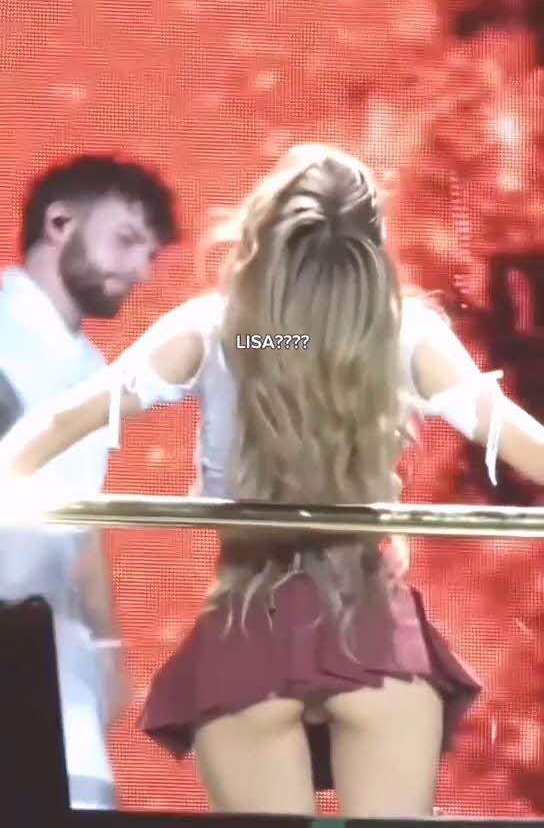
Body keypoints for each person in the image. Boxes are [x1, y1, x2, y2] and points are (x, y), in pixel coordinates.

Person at [1, 144, 544, 818]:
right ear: (368, 247)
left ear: (265, 232)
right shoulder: (402, 334)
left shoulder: (222, 331)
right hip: (375, 642)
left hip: (248, 640)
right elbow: (522, 441)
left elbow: (60, 421)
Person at [0, 154, 177, 809]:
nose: (140, 270)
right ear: (59, 223)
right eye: (126, 240)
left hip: (54, 647)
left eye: (149, 254)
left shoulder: (92, 366)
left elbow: (80, 521)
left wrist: (105, 639)